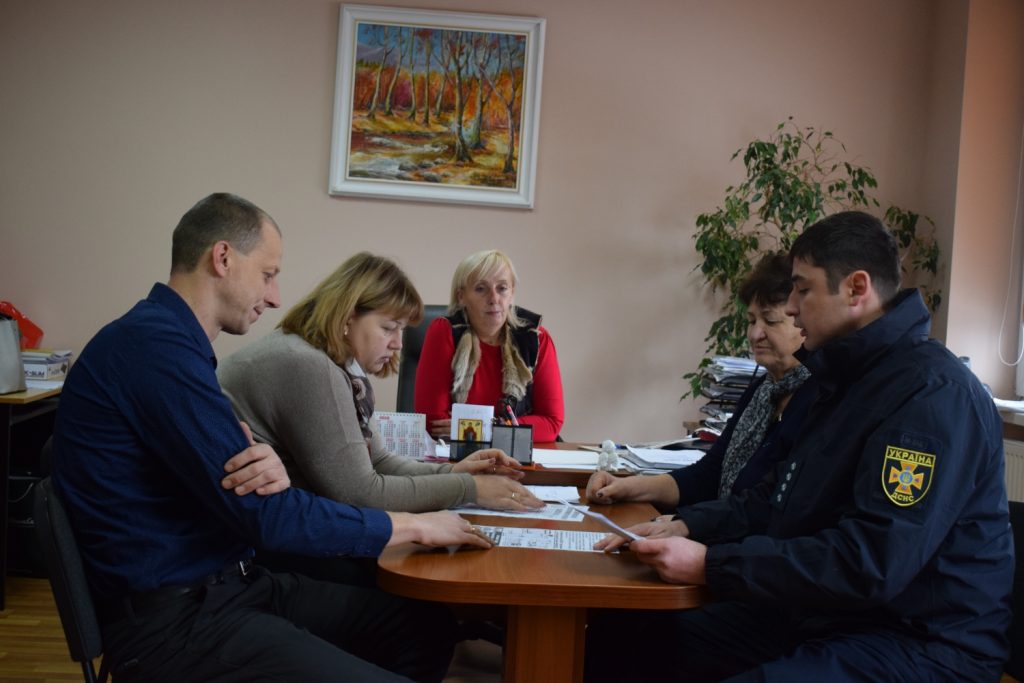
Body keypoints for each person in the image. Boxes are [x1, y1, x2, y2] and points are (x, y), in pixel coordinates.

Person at [52, 193, 495, 683]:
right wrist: (411, 526)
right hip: (177, 622)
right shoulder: (155, 350)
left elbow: (243, 489)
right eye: (267, 274)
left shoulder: (173, 345)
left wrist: (270, 472)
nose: (277, 296)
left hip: (230, 582)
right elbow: (265, 512)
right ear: (223, 258)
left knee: (424, 628)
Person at [586, 211, 1014, 682]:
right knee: (628, 631)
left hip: (919, 642)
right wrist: (687, 525)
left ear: (856, 288)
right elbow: (776, 498)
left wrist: (714, 565)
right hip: (830, 618)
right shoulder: (843, 382)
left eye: (802, 289)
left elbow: (868, 563)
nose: (791, 307)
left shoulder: (932, 395)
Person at [217, 252, 544, 520]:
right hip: (245, 544)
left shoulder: (336, 362)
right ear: (348, 317)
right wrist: (469, 488)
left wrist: (455, 472)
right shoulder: (307, 365)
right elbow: (361, 493)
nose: (399, 343)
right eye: (389, 328)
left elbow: (380, 460)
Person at [585, 253, 816, 511]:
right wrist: (627, 486)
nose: (754, 334)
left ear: (804, 322)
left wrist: (688, 525)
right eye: (751, 321)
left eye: (770, 321)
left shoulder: (819, 399)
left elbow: (770, 507)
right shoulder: (761, 391)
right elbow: (708, 475)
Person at [414, 249, 565, 442]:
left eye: (502, 288)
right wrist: (511, 429)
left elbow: (551, 422)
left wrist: (487, 429)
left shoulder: (537, 338)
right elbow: (434, 423)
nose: (493, 299)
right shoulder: (445, 332)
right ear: (461, 296)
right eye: (480, 289)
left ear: (512, 294)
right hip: (461, 456)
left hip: (518, 456)